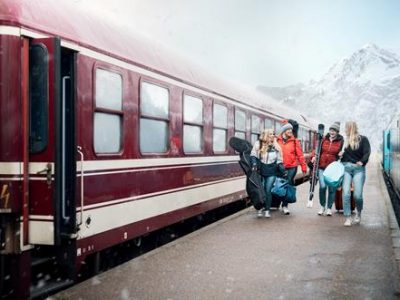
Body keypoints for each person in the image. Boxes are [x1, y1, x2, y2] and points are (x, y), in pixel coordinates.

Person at [250, 128, 286, 218]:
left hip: (272, 171)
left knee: (268, 190)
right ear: (266, 135)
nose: (273, 136)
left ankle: (267, 209)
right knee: (260, 190)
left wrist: (282, 169)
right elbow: (253, 155)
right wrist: (254, 164)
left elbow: (279, 160)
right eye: (271, 134)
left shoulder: (276, 146)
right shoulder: (258, 144)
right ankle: (260, 208)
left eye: (273, 134)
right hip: (260, 170)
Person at [341, 121, 371, 226]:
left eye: (346, 128)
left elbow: (367, 152)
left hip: (358, 169)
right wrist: (340, 155)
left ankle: (359, 212)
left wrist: (362, 161)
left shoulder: (363, 139)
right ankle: (348, 217)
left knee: (358, 195)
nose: (345, 130)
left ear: (351, 128)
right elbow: (340, 155)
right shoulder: (344, 141)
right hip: (346, 169)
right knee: (346, 193)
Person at [311, 122, 344, 216]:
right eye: (331, 130)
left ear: (337, 132)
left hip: (333, 169)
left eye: (334, 131)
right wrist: (314, 156)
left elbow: (341, 153)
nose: (332, 132)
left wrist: (341, 154)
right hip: (322, 167)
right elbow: (317, 150)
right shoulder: (324, 139)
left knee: (332, 188)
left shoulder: (340, 141)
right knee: (323, 186)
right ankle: (322, 206)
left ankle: (329, 208)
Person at [276, 121, 307, 215]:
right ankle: (278, 202)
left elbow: (300, 155)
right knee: (279, 185)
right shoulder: (277, 140)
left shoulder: (295, 141)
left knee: (288, 183)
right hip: (280, 166)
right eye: (288, 129)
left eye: (291, 129)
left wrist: (303, 167)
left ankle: (285, 206)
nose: (290, 131)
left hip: (292, 167)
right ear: (284, 131)